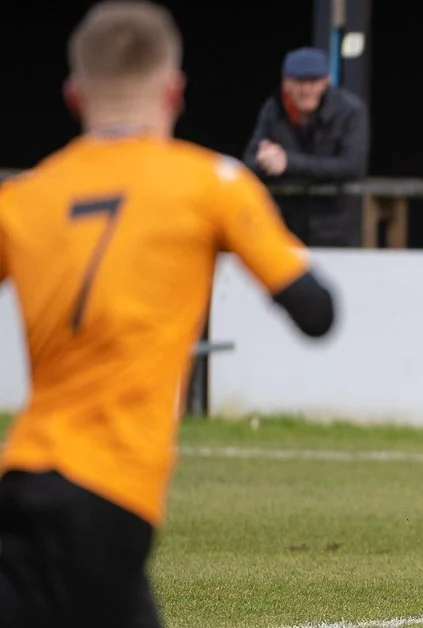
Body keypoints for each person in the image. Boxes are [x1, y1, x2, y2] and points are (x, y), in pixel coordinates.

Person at [0, 2, 336, 625]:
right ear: (175, 92)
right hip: (111, 494)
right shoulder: (212, 184)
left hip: (20, 480)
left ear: (74, 96)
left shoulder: (22, 197)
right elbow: (316, 309)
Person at [243, 46, 370, 247]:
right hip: (284, 226)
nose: (306, 89)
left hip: (335, 226)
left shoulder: (350, 110)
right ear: (286, 83)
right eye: (298, 81)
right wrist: (266, 161)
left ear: (326, 81)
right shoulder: (273, 108)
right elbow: (248, 162)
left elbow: (352, 165)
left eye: (313, 81)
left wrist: (289, 163)